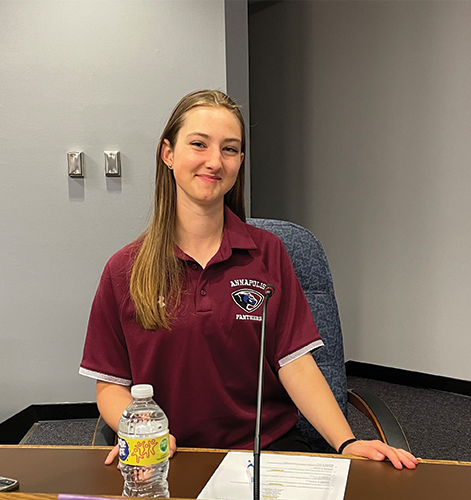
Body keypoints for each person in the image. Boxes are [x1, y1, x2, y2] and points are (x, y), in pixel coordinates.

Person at [79, 89, 418, 470]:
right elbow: (111, 383)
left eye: (229, 149)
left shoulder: (269, 252)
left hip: (267, 451)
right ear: (168, 154)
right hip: (168, 456)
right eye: (199, 144)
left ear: (240, 160)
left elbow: (296, 364)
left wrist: (347, 442)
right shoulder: (125, 269)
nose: (214, 161)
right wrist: (137, 427)